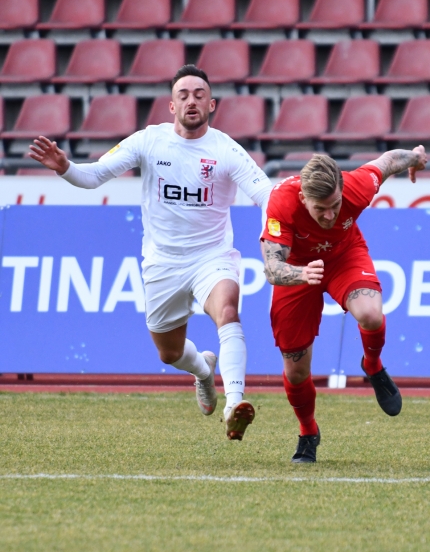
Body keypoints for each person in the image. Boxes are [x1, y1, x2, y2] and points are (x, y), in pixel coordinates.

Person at [27, 65, 272, 441]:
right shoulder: (148, 141)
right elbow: (93, 176)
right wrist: (65, 168)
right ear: (171, 106)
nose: (192, 100)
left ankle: (234, 405)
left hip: (213, 256)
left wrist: (271, 235)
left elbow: (266, 195)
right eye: (183, 95)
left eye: (199, 94)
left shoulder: (226, 150)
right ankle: (203, 371)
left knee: (228, 311)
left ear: (213, 104)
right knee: (169, 354)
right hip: (162, 262)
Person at [260, 148, 428, 464]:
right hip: (297, 272)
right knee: (296, 371)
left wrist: (416, 157)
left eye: (335, 205)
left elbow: (389, 161)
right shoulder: (281, 201)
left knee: (370, 313)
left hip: (343, 256)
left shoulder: (356, 185)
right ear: (303, 199)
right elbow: (272, 269)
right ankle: (308, 431)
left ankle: (373, 366)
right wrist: (301, 273)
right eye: (320, 209)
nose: (330, 215)